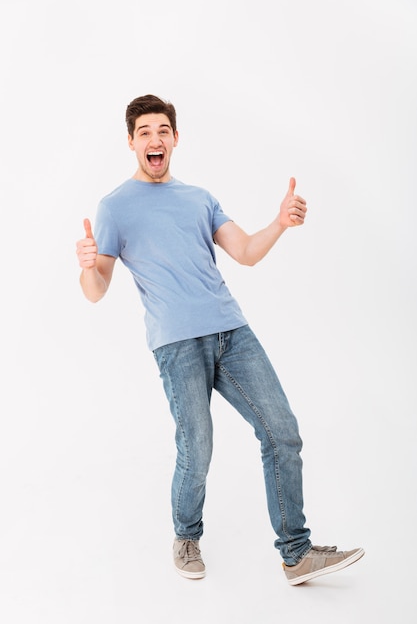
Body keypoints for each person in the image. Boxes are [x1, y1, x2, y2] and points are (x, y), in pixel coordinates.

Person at [76, 94, 364, 585]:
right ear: (131, 142)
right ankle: (186, 536)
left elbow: (246, 252)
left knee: (282, 431)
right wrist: (86, 266)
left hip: (232, 333)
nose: (154, 139)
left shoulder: (199, 198)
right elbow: (96, 290)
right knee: (198, 444)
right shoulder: (114, 208)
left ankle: (296, 553)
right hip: (176, 344)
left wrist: (280, 222)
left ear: (175, 138)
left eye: (162, 130)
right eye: (144, 131)